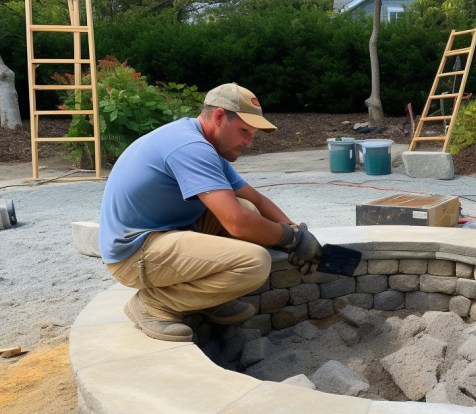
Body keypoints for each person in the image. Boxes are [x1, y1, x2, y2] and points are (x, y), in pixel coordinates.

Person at [98, 83, 322, 342]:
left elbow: (256, 200)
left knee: (247, 208)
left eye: (252, 134)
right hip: (134, 254)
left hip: (165, 233)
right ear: (218, 117)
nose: (248, 142)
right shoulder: (190, 147)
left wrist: (296, 230)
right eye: (243, 131)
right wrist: (290, 239)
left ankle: (207, 299)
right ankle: (153, 305)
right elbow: (237, 224)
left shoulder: (203, 143)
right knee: (253, 262)